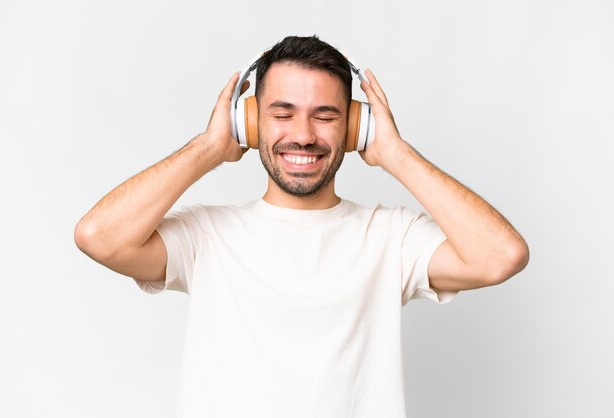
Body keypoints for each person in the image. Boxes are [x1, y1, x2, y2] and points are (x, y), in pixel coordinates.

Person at [74, 35, 529, 417]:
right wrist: (209, 146)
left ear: (355, 128)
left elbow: (500, 256)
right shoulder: (205, 236)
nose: (305, 134)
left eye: (326, 116)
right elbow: (99, 236)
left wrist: (396, 153)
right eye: (282, 112)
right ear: (248, 122)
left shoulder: (392, 238)